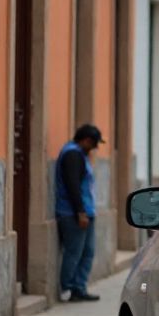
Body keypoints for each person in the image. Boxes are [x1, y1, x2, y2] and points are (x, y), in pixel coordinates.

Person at [55, 124, 103, 302]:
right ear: (86, 140)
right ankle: (67, 288)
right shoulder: (72, 155)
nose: (94, 148)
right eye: (94, 144)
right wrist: (80, 212)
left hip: (85, 212)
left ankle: (79, 287)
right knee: (74, 252)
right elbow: (72, 186)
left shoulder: (79, 154)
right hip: (73, 213)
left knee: (87, 252)